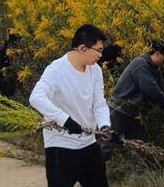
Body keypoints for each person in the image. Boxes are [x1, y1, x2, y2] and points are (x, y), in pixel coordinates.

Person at [29, 24, 113, 187]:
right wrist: (65, 120)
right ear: (82, 48)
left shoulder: (95, 70)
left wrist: (104, 126)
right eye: (98, 50)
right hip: (60, 146)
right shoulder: (56, 70)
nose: (101, 55)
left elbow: (99, 103)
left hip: (88, 144)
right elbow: (36, 97)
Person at [103, 40, 164, 158]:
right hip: (119, 110)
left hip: (132, 113)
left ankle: (144, 173)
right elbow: (150, 89)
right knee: (108, 144)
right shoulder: (140, 65)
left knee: (140, 145)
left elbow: (159, 89)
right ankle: (93, 172)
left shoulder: (153, 68)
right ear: (156, 53)